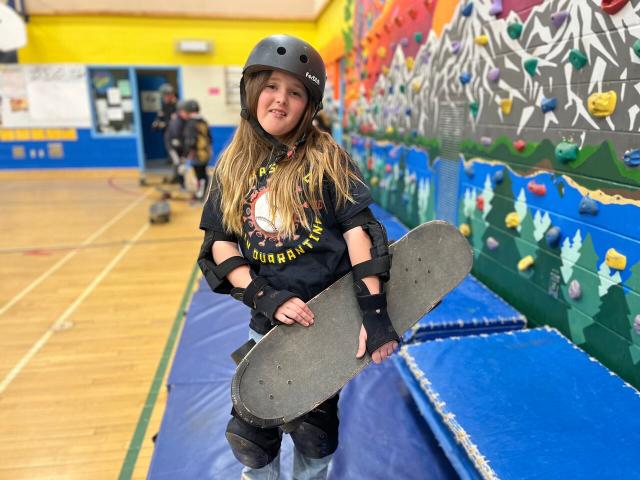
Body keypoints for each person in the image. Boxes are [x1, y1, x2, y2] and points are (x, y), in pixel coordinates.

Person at [197, 34, 399, 480]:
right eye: (271, 86)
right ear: (253, 92)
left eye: (295, 92)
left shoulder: (328, 159)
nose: (280, 100)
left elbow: (359, 235)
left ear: (309, 106)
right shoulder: (232, 166)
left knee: (314, 433)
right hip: (264, 322)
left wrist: (375, 312)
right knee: (250, 440)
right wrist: (264, 296)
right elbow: (221, 244)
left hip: (324, 323)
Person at [182, 99, 212, 201]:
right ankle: (204, 193)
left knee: (200, 176)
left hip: (197, 154)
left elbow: (190, 141)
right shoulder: (203, 121)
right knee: (203, 173)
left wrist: (187, 154)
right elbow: (209, 138)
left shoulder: (190, 123)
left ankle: (201, 196)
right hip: (205, 152)